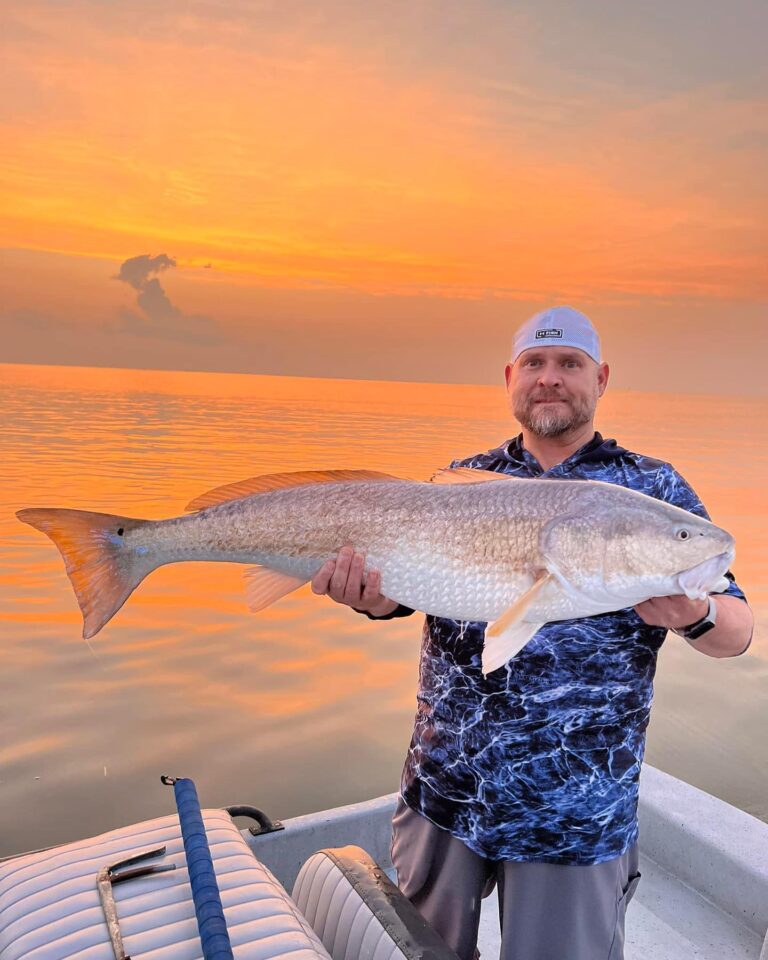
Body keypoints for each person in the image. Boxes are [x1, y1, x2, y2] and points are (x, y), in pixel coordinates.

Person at [310, 306, 754, 960]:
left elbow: (737, 628)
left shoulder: (652, 489)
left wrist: (698, 616)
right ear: (511, 378)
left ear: (600, 378)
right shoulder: (462, 478)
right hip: (445, 789)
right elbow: (404, 597)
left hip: (576, 810)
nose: (551, 379)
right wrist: (367, 599)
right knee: (419, 951)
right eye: (535, 364)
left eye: (569, 364)